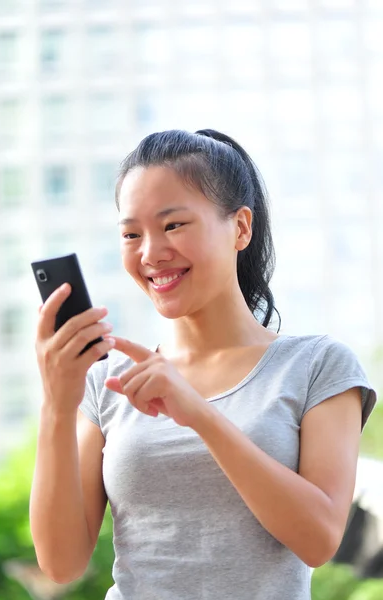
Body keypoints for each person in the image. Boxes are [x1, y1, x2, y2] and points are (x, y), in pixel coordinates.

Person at [30, 129, 377, 600]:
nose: (150, 252)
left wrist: (197, 412)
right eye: (132, 233)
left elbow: (319, 539)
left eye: (173, 225)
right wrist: (56, 404)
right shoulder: (107, 382)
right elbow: (61, 563)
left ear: (240, 227)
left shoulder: (317, 366)